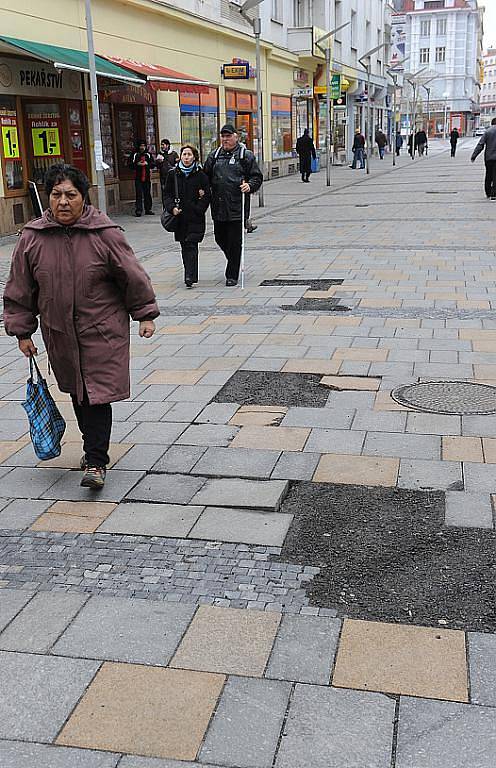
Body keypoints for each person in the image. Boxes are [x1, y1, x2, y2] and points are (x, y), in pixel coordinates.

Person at [3, 164, 159, 490]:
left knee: (97, 396)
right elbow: (20, 289)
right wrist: (22, 332)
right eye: (56, 195)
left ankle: (97, 461)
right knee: (78, 392)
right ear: (48, 198)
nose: (63, 202)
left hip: (102, 331)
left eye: (70, 195)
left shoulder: (105, 234)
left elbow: (132, 276)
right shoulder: (33, 238)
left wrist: (144, 314)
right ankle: (93, 451)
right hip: (60, 334)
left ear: (83, 197)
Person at [203, 124, 263, 286]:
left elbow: (256, 177)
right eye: (223, 136)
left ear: (236, 137)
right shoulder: (214, 156)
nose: (225, 139)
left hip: (238, 206)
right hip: (219, 206)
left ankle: (232, 274)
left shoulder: (245, 156)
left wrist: (250, 185)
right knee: (220, 238)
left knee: (235, 241)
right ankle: (234, 259)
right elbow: (204, 177)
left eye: (228, 136)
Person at [164, 144, 210, 288]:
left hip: (195, 216)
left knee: (192, 244)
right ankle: (189, 273)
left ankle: (190, 275)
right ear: (180, 157)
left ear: (194, 157)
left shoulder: (201, 174)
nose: (187, 157)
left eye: (189, 155)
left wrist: (199, 208)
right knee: (185, 245)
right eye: (184, 154)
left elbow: (207, 194)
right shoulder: (173, 174)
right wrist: (172, 208)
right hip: (180, 216)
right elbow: (167, 194)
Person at [471, 118, 496, 200]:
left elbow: (480, 145)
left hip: (488, 158)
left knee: (488, 175)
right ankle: (494, 194)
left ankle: (488, 192)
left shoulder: (487, 132)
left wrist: (474, 156)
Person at [129, 139, 155, 217]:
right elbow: (130, 165)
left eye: (144, 146)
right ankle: (139, 210)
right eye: (141, 146)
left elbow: (153, 164)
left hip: (147, 177)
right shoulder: (135, 154)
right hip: (138, 177)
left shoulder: (148, 154)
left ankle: (148, 209)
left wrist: (148, 164)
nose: (142, 147)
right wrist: (137, 164)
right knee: (139, 194)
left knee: (147, 193)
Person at [156, 139, 179, 208]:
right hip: (163, 177)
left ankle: (174, 206)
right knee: (164, 192)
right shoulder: (160, 154)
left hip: (173, 177)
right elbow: (157, 166)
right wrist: (158, 162)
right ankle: (165, 207)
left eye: (163, 144)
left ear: (167, 145)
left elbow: (178, 164)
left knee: (173, 191)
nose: (162, 146)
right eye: (161, 145)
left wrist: (177, 161)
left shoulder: (174, 154)